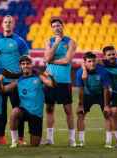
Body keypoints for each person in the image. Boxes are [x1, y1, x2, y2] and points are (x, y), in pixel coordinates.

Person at [5, 55, 56, 148]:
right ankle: (14, 141)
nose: (25, 66)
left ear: (31, 65)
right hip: (23, 111)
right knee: (14, 111)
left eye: (27, 63)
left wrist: (51, 77)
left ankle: (38, 139)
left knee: (34, 144)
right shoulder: (18, 80)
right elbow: (4, 89)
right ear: (20, 66)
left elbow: (51, 84)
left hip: (36, 115)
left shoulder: (39, 77)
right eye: (23, 64)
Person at [0, 15, 29, 144]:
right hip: (1, 82)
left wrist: (21, 77)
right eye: (5, 22)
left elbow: (26, 60)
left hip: (16, 82)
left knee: (18, 110)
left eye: (10, 22)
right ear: (2, 24)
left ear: (13, 25)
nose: (7, 24)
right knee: (1, 111)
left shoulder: (19, 41)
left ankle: (20, 138)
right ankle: (1, 136)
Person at [43, 17, 77, 146]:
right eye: (54, 26)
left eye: (58, 25)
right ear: (51, 29)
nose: (56, 28)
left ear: (63, 26)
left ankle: (72, 139)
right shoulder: (49, 41)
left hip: (64, 80)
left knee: (68, 110)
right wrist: (56, 43)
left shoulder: (70, 42)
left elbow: (66, 60)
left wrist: (51, 61)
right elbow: (47, 57)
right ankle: (50, 139)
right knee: (49, 108)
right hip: (49, 80)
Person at [75, 52, 113, 148]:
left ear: (97, 61)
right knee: (80, 115)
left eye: (94, 61)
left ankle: (108, 142)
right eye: (89, 61)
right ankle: (81, 141)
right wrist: (80, 104)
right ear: (85, 63)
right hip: (87, 95)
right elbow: (81, 90)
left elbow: (106, 89)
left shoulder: (103, 71)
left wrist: (106, 105)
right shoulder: (79, 72)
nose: (92, 63)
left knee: (107, 114)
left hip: (101, 94)